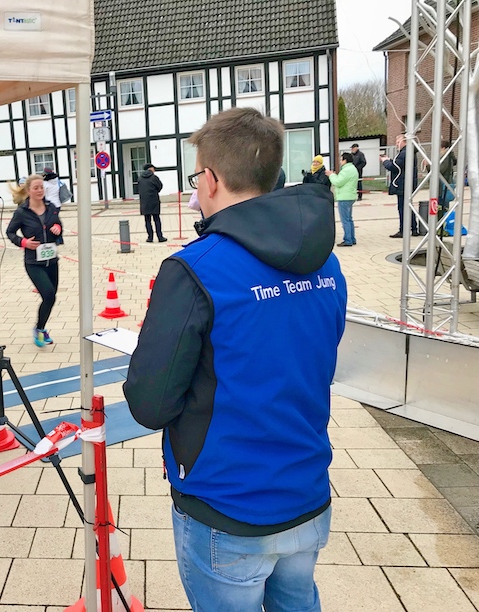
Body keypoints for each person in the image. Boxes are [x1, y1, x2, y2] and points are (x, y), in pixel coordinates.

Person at [124, 107, 347, 612]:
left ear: (211, 179)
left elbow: (149, 403)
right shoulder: (327, 263)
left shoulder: (195, 268)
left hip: (227, 504)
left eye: (195, 178)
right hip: (307, 491)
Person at [6, 174, 63, 347]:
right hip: (34, 263)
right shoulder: (22, 212)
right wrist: (23, 242)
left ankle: (40, 328)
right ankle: (39, 330)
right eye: (36, 188)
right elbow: (10, 232)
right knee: (48, 294)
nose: (40, 191)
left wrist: (58, 228)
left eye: (41, 187)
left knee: (51, 297)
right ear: (29, 190)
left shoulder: (51, 208)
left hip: (51, 260)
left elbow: (58, 225)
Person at [380, 135, 419, 237]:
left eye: (398, 142)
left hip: (402, 184)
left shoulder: (404, 153)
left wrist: (385, 161)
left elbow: (394, 167)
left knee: (402, 208)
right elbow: (399, 165)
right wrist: (390, 160)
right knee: (408, 206)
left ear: (404, 142)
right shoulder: (409, 152)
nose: (396, 144)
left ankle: (403, 230)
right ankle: (414, 228)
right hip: (407, 183)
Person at [326, 152, 360, 247]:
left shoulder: (346, 170)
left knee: (345, 220)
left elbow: (338, 182)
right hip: (350, 196)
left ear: (345, 160)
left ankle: (348, 240)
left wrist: (331, 175)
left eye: (341, 159)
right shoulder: (352, 169)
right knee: (349, 219)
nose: (340, 161)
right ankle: (352, 238)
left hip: (344, 197)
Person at [138, 163, 166, 243]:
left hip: (144, 202)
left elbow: (138, 189)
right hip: (154, 201)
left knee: (147, 220)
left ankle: (150, 238)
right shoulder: (154, 177)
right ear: (150, 169)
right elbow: (160, 186)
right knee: (156, 219)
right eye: (154, 168)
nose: (154, 170)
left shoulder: (140, 178)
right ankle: (160, 237)